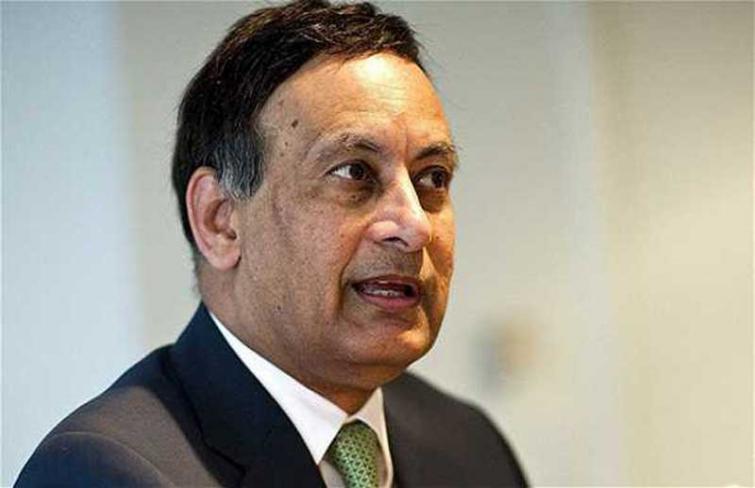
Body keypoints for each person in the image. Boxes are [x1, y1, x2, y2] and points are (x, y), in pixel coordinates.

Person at [17, 1, 527, 486]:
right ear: (220, 221)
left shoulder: (470, 445)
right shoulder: (104, 472)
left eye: (433, 178)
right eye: (354, 172)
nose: (414, 225)